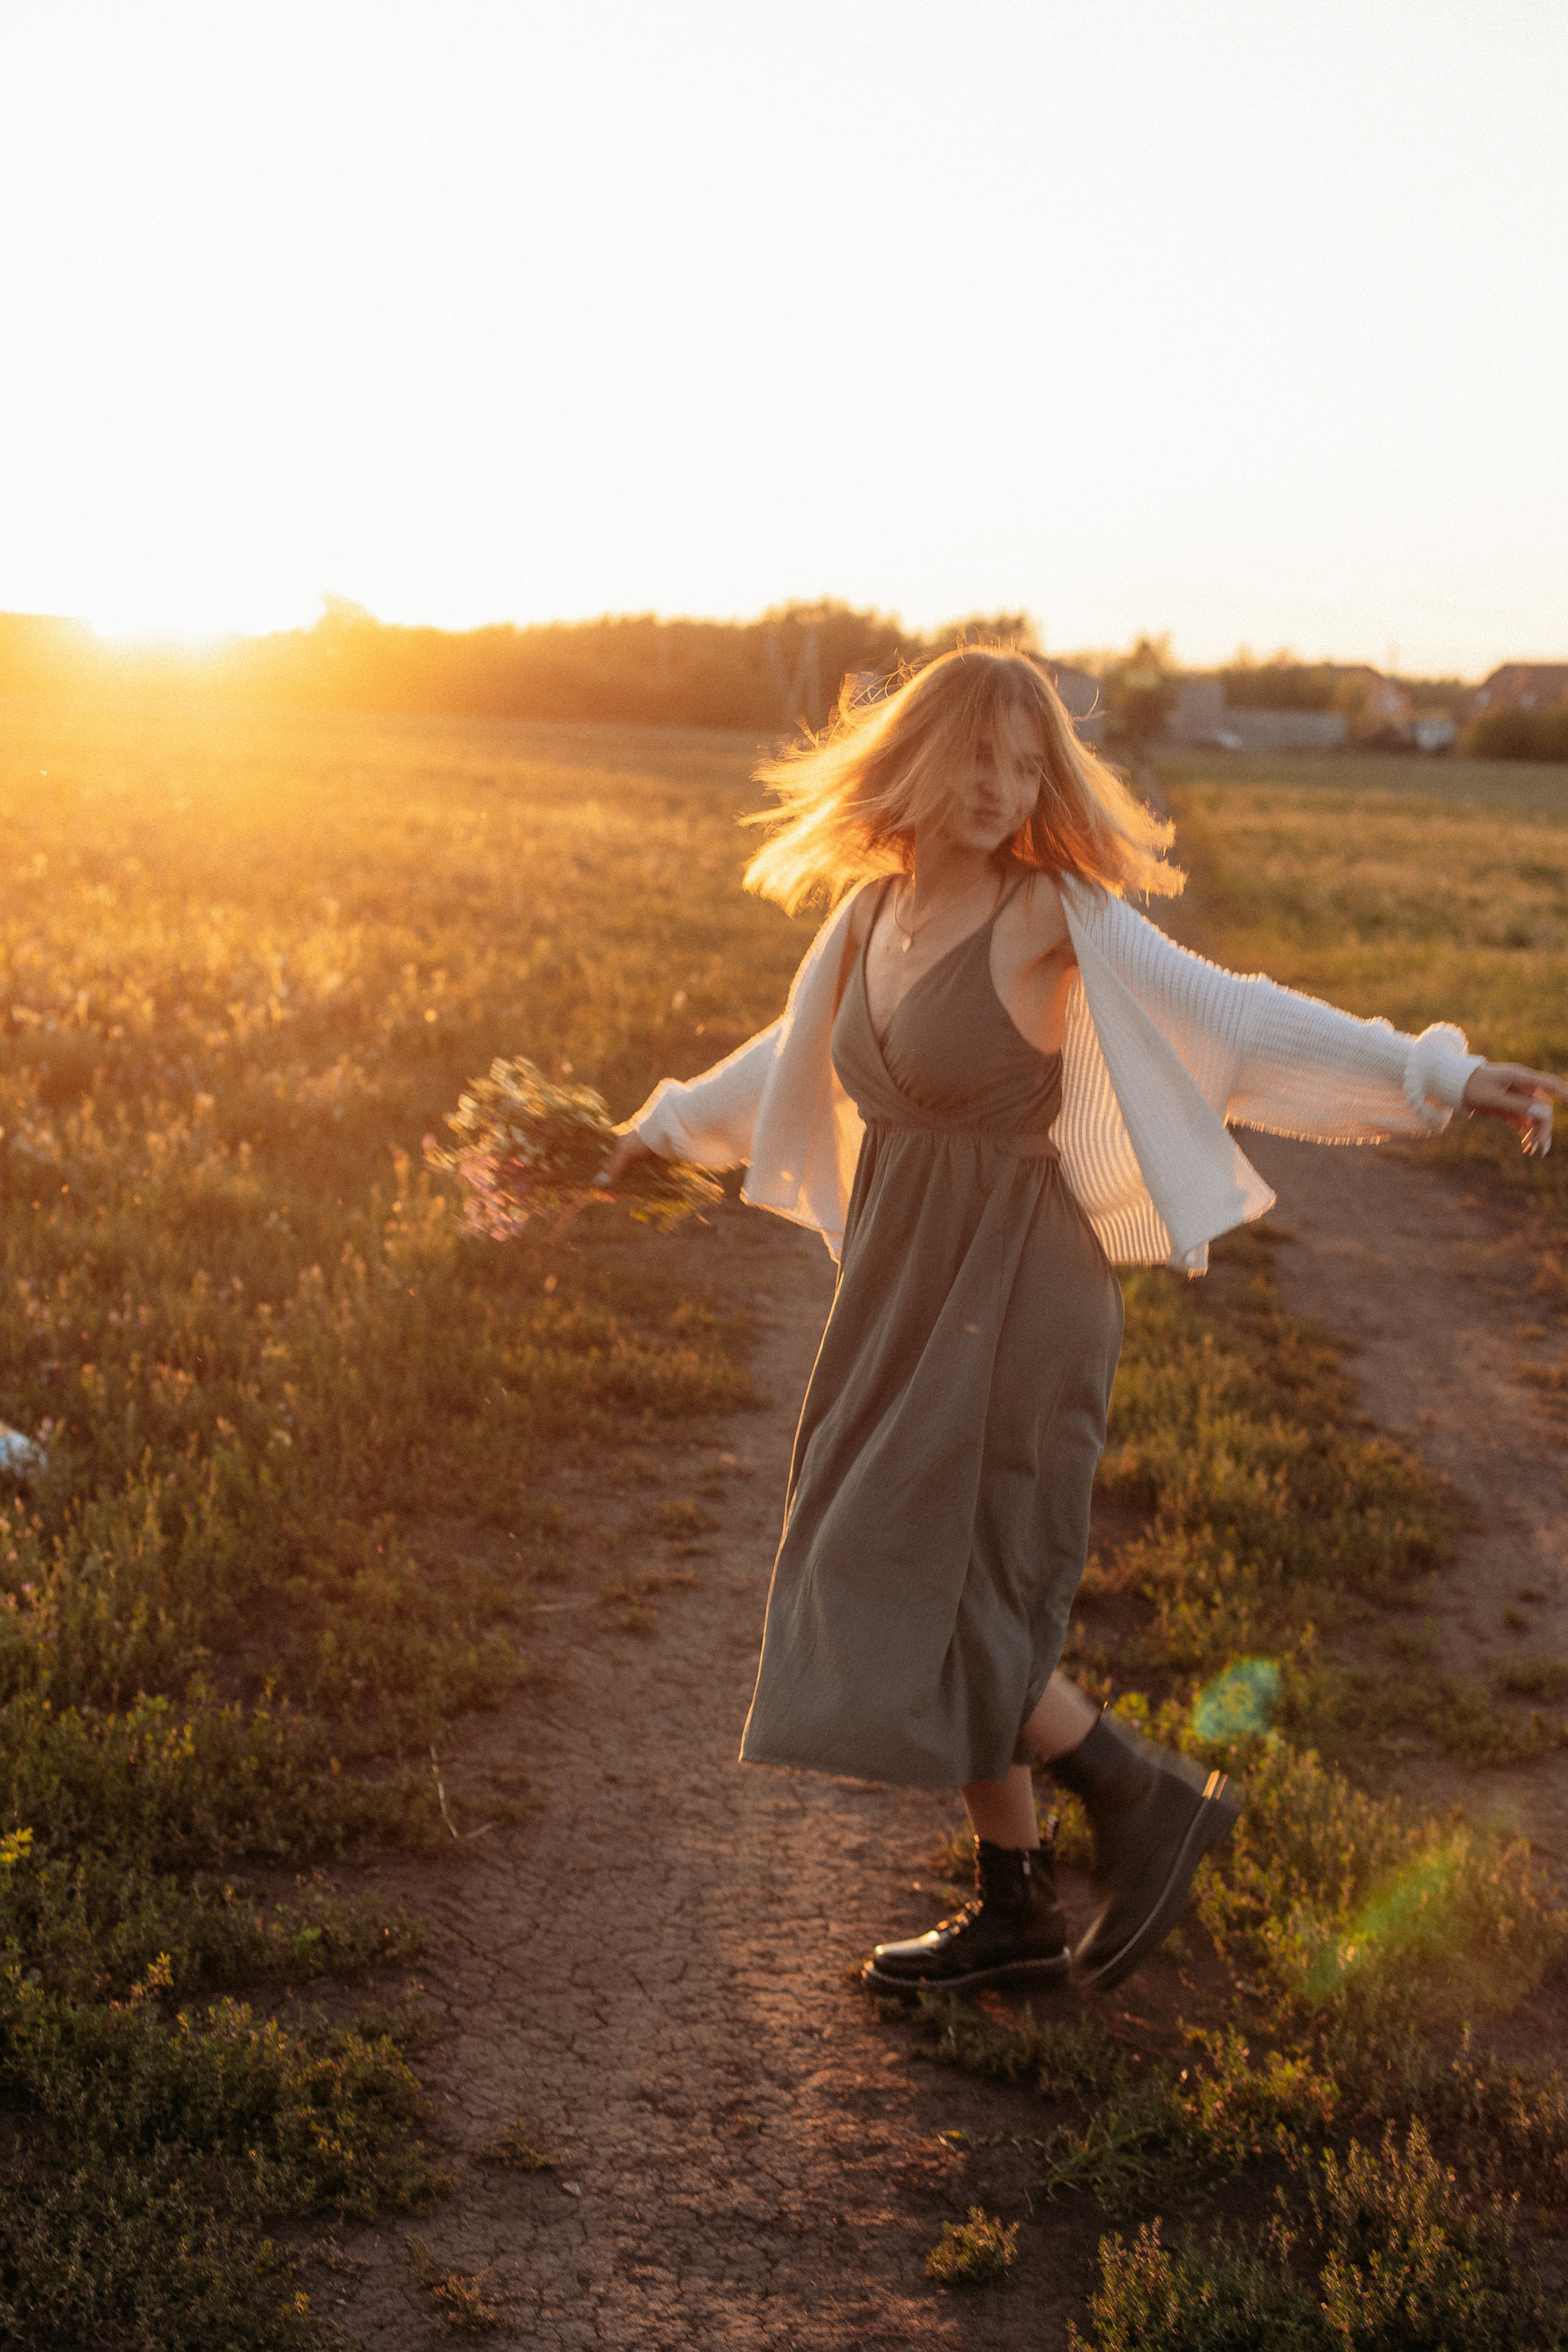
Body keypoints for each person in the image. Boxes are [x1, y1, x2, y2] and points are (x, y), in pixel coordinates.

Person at [598, 647, 1564, 1999]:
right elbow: (788, 1060)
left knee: (934, 1571)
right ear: (911, 765)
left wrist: (1436, 1074)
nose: (999, 786)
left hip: (1017, 1288)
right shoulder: (869, 921)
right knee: (915, 1561)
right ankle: (1016, 1907)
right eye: (974, 757)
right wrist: (645, 1136)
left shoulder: (1048, 917)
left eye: (1024, 761)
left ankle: (1137, 1793)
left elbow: (1232, 1014)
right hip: (900, 1287)